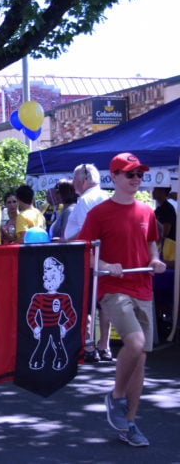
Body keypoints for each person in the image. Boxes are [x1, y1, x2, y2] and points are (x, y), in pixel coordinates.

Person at [78, 152, 165, 447]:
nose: (136, 178)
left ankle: (129, 423)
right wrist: (104, 267)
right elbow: (88, 253)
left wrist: (155, 260)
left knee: (139, 358)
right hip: (114, 289)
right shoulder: (98, 213)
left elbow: (152, 244)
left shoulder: (147, 212)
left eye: (139, 174)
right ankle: (115, 396)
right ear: (113, 177)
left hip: (143, 287)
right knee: (136, 344)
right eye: (130, 174)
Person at [64, 163, 111, 362]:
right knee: (104, 302)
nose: (73, 182)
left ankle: (89, 343)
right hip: (105, 257)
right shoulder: (107, 198)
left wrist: (67, 240)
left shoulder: (85, 200)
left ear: (83, 180)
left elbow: (87, 233)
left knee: (87, 301)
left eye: (75, 178)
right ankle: (104, 345)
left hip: (88, 258)